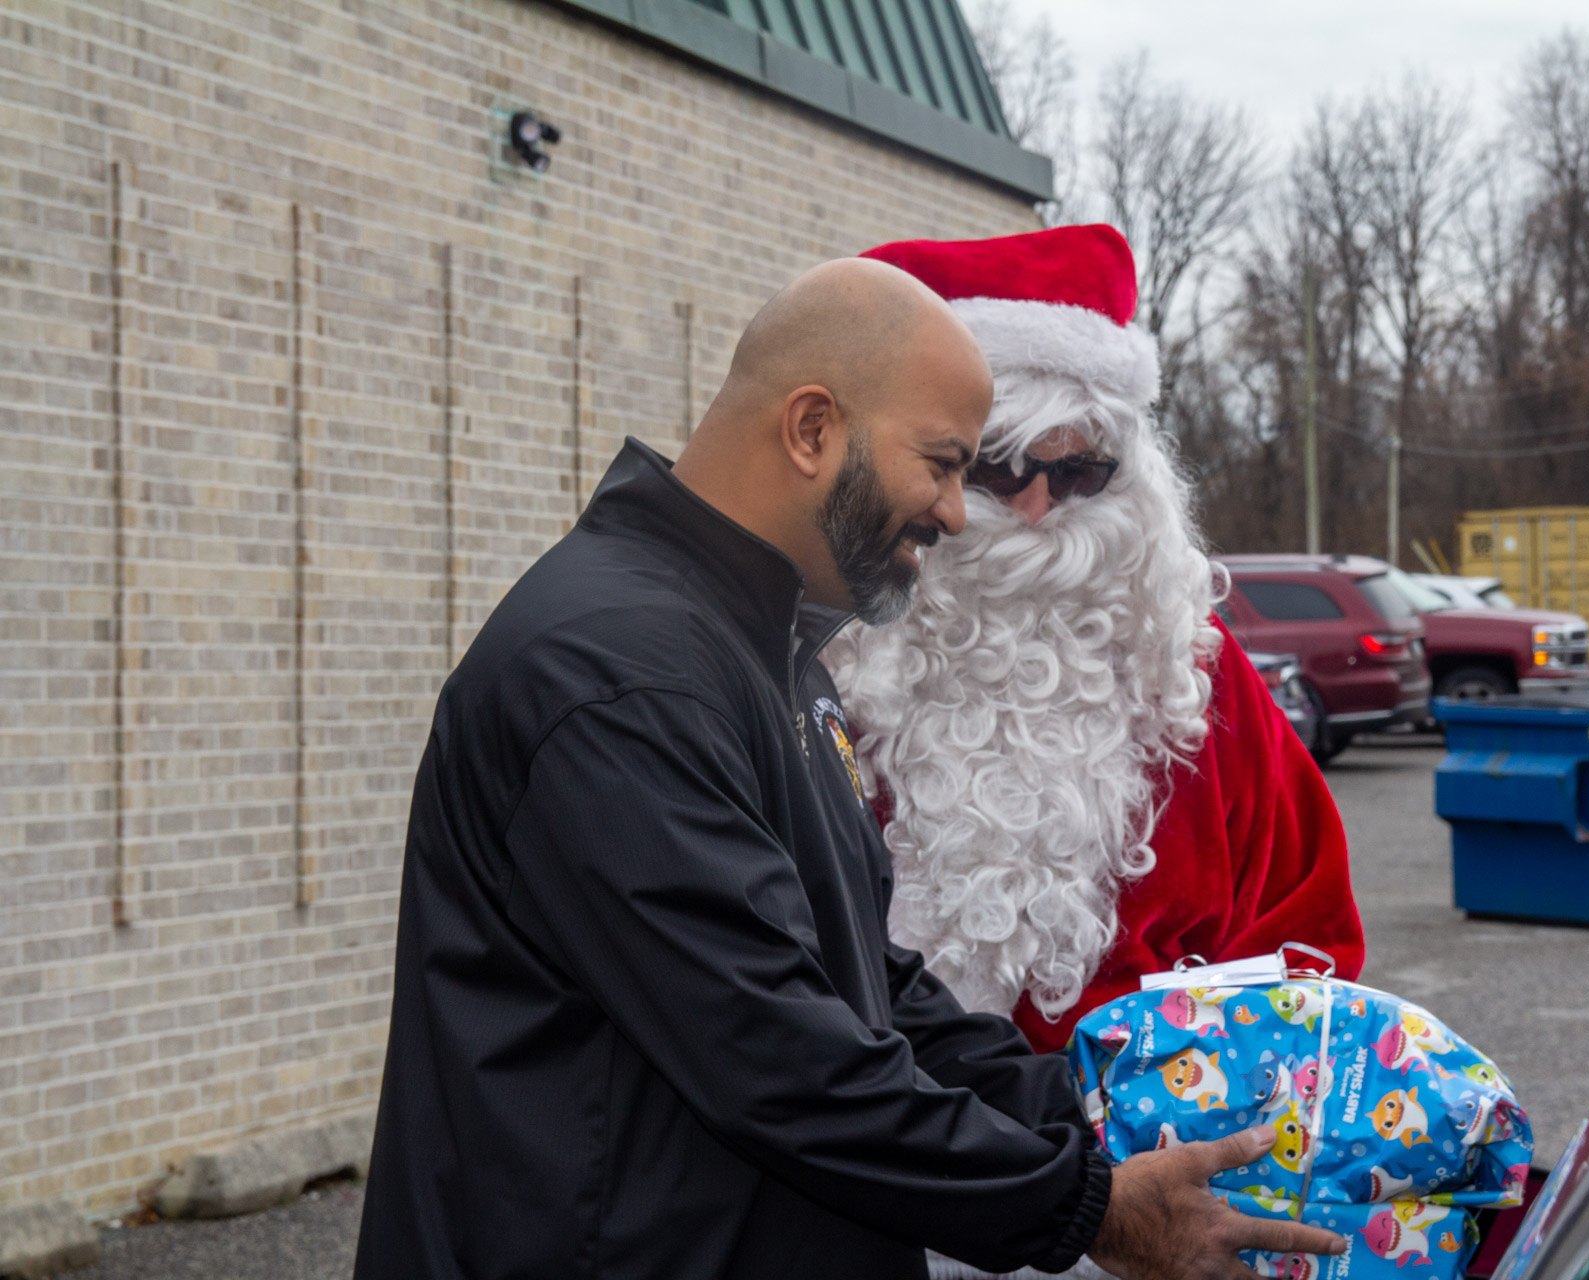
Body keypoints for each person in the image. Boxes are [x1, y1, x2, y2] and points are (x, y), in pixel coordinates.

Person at [353, 256, 1346, 1280]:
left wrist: (1098, 1103)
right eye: (951, 464)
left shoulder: (766, 646)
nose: (958, 513)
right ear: (812, 428)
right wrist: (1089, 1208)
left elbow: (868, 984)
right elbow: (774, 1056)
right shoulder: (619, 674)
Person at [833, 226, 1366, 1059]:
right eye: (999, 468)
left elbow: (1310, 926)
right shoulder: (832, 667)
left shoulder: (1188, 666)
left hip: (1155, 1116)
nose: (1039, 511)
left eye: (1080, 472)